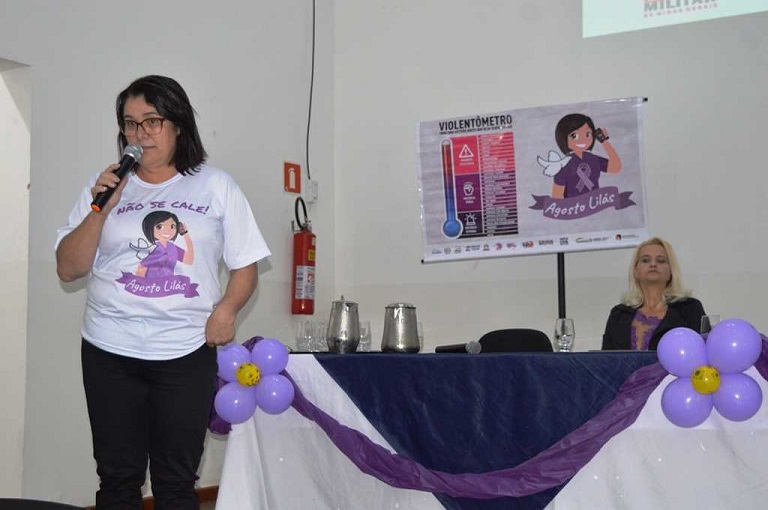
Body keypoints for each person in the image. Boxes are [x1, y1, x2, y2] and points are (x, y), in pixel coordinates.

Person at [55, 75, 271, 509]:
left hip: (184, 350)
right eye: (130, 123)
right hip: (109, 349)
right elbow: (68, 268)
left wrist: (226, 309)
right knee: (117, 478)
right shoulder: (105, 187)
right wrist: (101, 210)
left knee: (176, 482)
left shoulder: (215, 186)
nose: (140, 134)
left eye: (152, 121)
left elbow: (245, 266)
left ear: (178, 125)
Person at [602, 237, 705, 351]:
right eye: (645, 260)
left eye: (661, 261)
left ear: (671, 271)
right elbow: (605, 358)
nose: (653, 264)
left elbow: (703, 352)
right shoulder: (619, 314)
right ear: (635, 271)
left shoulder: (690, 309)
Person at [550, 113, 622, 199]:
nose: (582, 139)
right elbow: (557, 195)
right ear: (563, 138)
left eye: (588, 134)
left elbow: (615, 167)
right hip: (573, 205)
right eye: (574, 136)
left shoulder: (593, 159)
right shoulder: (564, 165)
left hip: (595, 203)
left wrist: (604, 141)